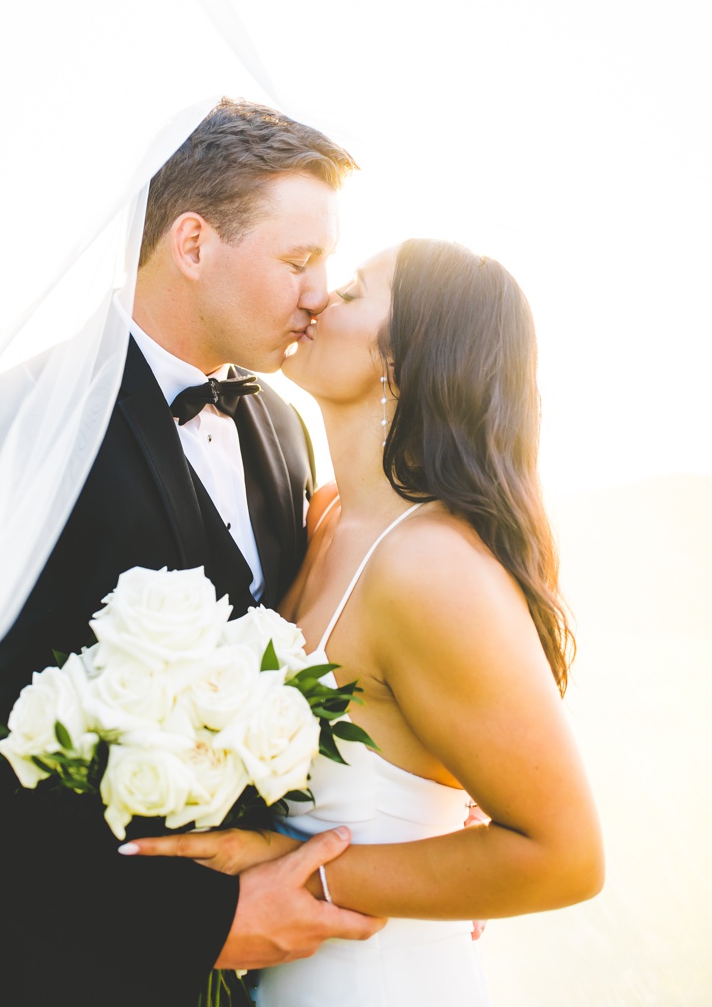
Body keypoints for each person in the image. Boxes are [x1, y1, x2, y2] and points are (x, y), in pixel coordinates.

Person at [0, 99, 386, 1005]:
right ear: (192, 245)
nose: (321, 294)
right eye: (299, 260)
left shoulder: (279, 427)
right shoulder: (16, 429)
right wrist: (195, 927)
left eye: (330, 265)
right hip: (66, 969)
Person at [125, 240, 604, 1004]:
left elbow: (567, 856)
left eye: (350, 291)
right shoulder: (325, 518)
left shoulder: (430, 568)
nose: (315, 297)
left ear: (405, 358)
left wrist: (287, 867)